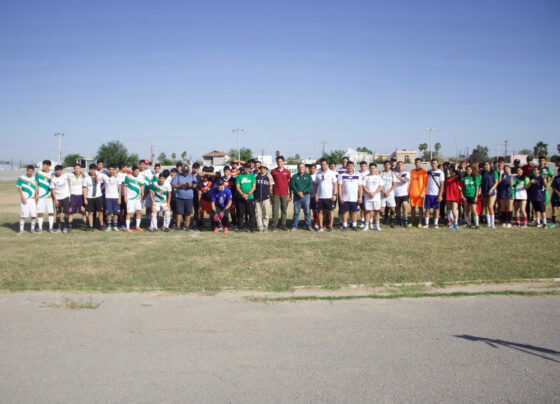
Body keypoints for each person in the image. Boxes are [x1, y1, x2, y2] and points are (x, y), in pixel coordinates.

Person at [314, 158, 337, 232]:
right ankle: (321, 227)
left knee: (330, 211)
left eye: (324, 164)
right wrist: (316, 195)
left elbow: (335, 184)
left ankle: (330, 226)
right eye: (322, 164)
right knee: (320, 212)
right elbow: (316, 185)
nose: (323, 165)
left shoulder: (332, 173)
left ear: (327, 165)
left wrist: (334, 194)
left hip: (329, 196)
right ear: (320, 165)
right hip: (320, 196)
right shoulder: (318, 173)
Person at [338, 161, 363, 231]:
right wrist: (340, 197)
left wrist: (360, 197)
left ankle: (354, 225)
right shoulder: (342, 175)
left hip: (354, 198)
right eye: (348, 166)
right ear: (346, 167)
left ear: (353, 167)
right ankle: (345, 225)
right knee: (345, 212)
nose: (350, 167)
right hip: (345, 198)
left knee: (354, 212)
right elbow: (339, 187)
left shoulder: (358, 175)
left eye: (351, 166)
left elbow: (360, 187)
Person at [170, 165, 197, 230]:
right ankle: (178, 226)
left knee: (188, 212)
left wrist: (191, 185)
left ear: (189, 171)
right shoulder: (178, 176)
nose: (186, 172)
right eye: (184, 171)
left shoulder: (192, 176)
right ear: (182, 171)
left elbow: (196, 185)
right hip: (179, 197)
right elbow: (173, 185)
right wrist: (181, 185)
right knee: (179, 212)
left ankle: (187, 226)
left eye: (187, 171)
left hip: (189, 197)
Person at [290, 162, 313, 231]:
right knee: (296, 212)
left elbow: (310, 186)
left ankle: (309, 226)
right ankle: (294, 226)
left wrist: (303, 192)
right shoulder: (294, 176)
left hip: (306, 196)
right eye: (299, 167)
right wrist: (298, 192)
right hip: (297, 197)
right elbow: (292, 185)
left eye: (302, 167)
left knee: (307, 212)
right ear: (297, 168)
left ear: (304, 168)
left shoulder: (308, 176)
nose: (301, 168)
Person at [270, 156, 291, 231]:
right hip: (275, 193)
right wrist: (271, 193)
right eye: (278, 161)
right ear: (276, 162)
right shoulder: (273, 171)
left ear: (283, 162)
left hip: (284, 194)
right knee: (275, 210)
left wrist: (290, 195)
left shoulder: (287, 172)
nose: (279, 163)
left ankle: (283, 225)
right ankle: (274, 225)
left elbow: (289, 184)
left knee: (284, 210)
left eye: (281, 161)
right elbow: (271, 183)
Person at [423, 158, 444, 228]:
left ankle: (435, 224)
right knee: (427, 209)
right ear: (430, 164)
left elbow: (442, 185)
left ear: (437, 164)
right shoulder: (428, 172)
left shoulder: (441, 173)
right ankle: (426, 224)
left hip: (436, 194)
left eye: (435, 163)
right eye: (432, 163)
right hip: (428, 193)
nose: (433, 165)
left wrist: (440, 195)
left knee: (436, 209)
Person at [235, 163, 257, 232]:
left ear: (250, 168)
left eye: (248, 167)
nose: (246, 169)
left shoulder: (252, 176)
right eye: (245, 167)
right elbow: (237, 187)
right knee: (240, 213)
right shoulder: (239, 176)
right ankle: (240, 227)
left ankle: (252, 228)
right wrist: (242, 194)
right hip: (241, 197)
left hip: (250, 197)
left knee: (251, 213)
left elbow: (254, 187)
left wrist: (247, 194)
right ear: (243, 168)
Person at [361, 163, 383, 231]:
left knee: (377, 212)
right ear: (369, 168)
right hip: (368, 198)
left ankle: (377, 226)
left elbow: (380, 186)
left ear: (375, 169)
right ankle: (366, 226)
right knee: (367, 212)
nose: (372, 169)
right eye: (371, 168)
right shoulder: (366, 177)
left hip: (376, 198)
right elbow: (363, 186)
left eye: (373, 168)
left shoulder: (378, 177)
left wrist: (375, 193)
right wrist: (369, 193)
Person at [82, 164, 104, 231]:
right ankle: (91, 226)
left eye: (94, 170)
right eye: (91, 169)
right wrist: (85, 199)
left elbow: (99, 180)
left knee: (100, 212)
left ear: (96, 170)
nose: (92, 171)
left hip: (98, 196)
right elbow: (85, 189)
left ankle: (101, 225)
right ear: (89, 170)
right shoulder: (86, 178)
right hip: (90, 197)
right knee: (90, 212)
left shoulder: (99, 176)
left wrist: (97, 175)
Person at [123, 165, 145, 232]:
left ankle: (137, 226)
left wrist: (142, 192)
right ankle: (127, 227)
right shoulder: (128, 177)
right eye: (136, 171)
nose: (137, 172)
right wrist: (125, 197)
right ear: (132, 171)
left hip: (138, 198)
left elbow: (142, 185)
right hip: (130, 198)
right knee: (129, 212)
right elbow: (125, 187)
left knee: (139, 211)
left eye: (138, 171)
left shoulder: (141, 177)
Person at [16, 165, 37, 234]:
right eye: (29, 171)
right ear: (26, 170)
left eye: (31, 171)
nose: (30, 172)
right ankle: (21, 230)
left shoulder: (35, 179)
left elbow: (36, 188)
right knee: (23, 215)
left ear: (33, 171)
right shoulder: (21, 178)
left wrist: (36, 196)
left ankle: (32, 229)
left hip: (32, 200)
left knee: (33, 215)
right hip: (25, 199)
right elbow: (19, 188)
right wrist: (22, 197)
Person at [50, 165, 71, 233]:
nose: (58, 172)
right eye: (57, 170)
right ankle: (58, 227)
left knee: (66, 212)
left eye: (59, 170)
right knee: (58, 213)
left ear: (62, 170)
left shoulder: (65, 176)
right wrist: (55, 199)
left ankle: (65, 227)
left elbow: (74, 172)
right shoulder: (53, 179)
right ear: (55, 171)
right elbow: (53, 190)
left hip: (65, 197)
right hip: (58, 198)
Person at [36, 160, 55, 233]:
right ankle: (40, 228)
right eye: (43, 165)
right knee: (40, 212)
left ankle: (50, 228)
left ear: (49, 166)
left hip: (50, 196)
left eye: (45, 165)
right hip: (41, 197)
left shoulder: (53, 173)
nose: (43, 166)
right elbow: (36, 184)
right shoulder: (38, 173)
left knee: (51, 212)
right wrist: (36, 194)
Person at [101, 164, 122, 231]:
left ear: (114, 170)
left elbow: (119, 189)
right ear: (107, 170)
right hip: (108, 198)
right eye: (109, 169)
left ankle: (115, 226)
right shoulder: (104, 177)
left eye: (112, 169)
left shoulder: (118, 178)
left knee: (116, 212)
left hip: (116, 197)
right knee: (108, 212)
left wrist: (119, 198)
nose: (111, 171)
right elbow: (96, 174)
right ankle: (109, 226)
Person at [67, 163, 87, 231]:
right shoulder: (70, 175)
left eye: (78, 168)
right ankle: (69, 226)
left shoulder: (84, 175)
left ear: (80, 169)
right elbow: (60, 174)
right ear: (74, 169)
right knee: (70, 212)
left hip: (81, 196)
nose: (77, 169)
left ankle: (85, 226)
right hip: (73, 196)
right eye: (75, 168)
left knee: (83, 212)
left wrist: (84, 175)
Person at [460, 165, 480, 229]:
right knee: (466, 210)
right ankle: (468, 224)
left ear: (472, 170)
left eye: (469, 169)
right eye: (467, 169)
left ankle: (477, 224)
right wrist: (462, 196)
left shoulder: (474, 178)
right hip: (466, 196)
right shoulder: (463, 178)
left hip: (472, 196)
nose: (468, 171)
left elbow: (477, 187)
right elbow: (461, 187)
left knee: (474, 210)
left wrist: (476, 196)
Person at [254, 165, 274, 232]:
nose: (262, 170)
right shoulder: (256, 176)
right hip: (257, 197)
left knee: (266, 213)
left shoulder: (269, 176)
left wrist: (270, 194)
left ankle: (265, 227)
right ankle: (260, 227)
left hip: (266, 197)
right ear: (259, 169)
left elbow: (271, 186)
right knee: (258, 214)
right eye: (261, 168)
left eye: (264, 168)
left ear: (266, 169)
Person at [409, 158, 427, 228]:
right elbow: (410, 182)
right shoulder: (412, 171)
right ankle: (413, 222)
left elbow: (425, 184)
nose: (417, 163)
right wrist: (409, 192)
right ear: (414, 163)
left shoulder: (424, 172)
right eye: (416, 162)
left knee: (420, 208)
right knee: (412, 208)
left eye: (419, 162)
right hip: (412, 193)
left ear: (421, 163)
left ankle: (420, 222)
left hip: (419, 194)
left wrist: (422, 193)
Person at [480, 161, 498, 228]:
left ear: (490, 165)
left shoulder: (494, 172)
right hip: (484, 191)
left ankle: (493, 223)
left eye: (487, 165)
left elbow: (496, 182)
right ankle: (488, 222)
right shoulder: (482, 173)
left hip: (491, 191)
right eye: (484, 165)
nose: (485, 166)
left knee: (490, 206)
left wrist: (492, 189)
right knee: (486, 207)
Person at [380, 161, 397, 228]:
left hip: (390, 193)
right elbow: (379, 184)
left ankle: (392, 222)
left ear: (390, 166)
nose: (387, 166)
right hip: (382, 193)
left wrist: (388, 192)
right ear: (384, 166)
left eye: (388, 165)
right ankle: (381, 222)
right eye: (385, 165)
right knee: (381, 208)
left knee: (392, 207)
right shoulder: (381, 173)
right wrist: (384, 192)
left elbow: (394, 184)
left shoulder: (392, 174)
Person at [394, 161, 410, 227]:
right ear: (397, 166)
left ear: (403, 166)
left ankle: (405, 221)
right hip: (396, 193)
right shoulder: (394, 173)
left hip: (404, 193)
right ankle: (399, 222)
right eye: (398, 165)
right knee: (397, 208)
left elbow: (405, 181)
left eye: (401, 165)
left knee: (404, 206)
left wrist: (398, 177)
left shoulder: (406, 173)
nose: (400, 166)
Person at [444, 164, 460, 229]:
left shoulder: (457, 178)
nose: (450, 172)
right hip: (448, 195)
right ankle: (450, 222)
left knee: (454, 210)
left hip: (454, 196)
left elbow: (460, 175)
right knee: (449, 210)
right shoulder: (447, 178)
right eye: (450, 170)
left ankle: (456, 223)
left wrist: (456, 169)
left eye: (452, 170)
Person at [309, 164, 320, 229]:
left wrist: (317, 195)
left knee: (315, 210)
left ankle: (316, 223)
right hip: (308, 196)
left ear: (316, 169)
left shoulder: (317, 176)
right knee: (307, 211)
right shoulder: (307, 176)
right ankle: (308, 224)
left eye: (313, 168)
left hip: (315, 196)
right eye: (311, 168)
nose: (312, 169)